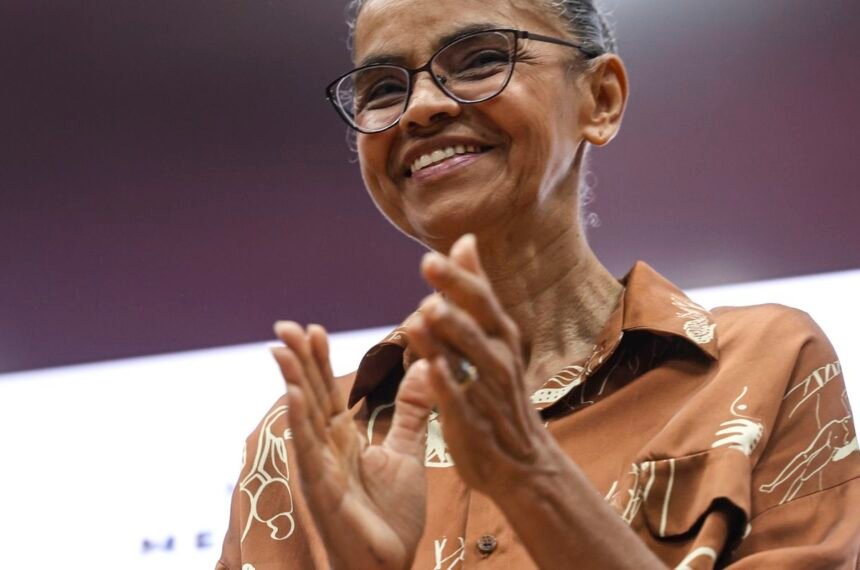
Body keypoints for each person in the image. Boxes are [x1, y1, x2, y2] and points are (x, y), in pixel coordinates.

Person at [216, 0, 860, 568]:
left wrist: (530, 476)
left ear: (600, 99)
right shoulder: (303, 441)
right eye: (383, 89)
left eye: (479, 60)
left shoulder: (764, 363)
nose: (421, 109)